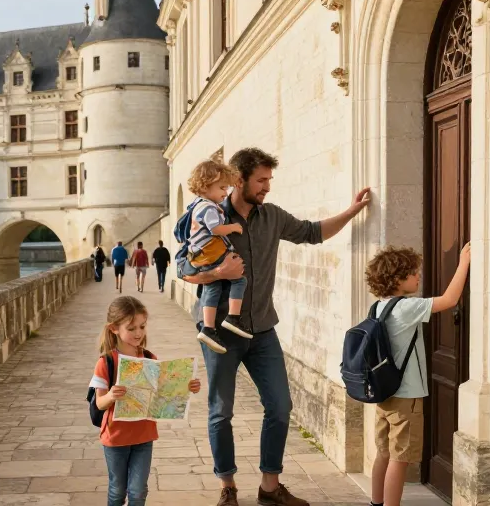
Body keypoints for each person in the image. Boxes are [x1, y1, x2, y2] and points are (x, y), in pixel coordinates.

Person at [181, 148, 371, 506]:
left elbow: (312, 233)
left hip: (263, 329)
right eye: (262, 180)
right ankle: (228, 487)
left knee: (280, 407)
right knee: (221, 411)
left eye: (269, 180)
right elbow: (183, 269)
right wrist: (218, 273)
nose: (267, 187)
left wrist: (351, 211)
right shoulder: (209, 214)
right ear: (239, 180)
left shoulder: (273, 217)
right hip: (220, 331)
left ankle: (270, 487)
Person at [364, 243, 470, 506]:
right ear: (398, 279)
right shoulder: (406, 308)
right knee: (400, 459)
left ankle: (376, 503)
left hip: (385, 393)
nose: (418, 277)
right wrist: (464, 263)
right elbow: (449, 300)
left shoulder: (379, 307)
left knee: (383, 454)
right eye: (413, 273)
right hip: (407, 396)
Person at [89, 296, 202, 506]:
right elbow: (99, 403)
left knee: (138, 491)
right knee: (117, 490)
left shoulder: (150, 358)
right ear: (114, 328)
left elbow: (162, 392)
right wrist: (112, 395)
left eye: (142, 326)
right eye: (131, 328)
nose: (138, 333)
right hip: (116, 437)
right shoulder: (106, 362)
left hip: (144, 434)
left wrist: (186, 386)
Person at [177, 160, 252, 354]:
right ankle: (233, 317)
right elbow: (216, 229)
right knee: (239, 280)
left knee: (213, 287)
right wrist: (234, 227)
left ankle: (208, 328)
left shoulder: (197, 205)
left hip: (201, 255)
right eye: (221, 188)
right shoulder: (208, 207)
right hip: (210, 252)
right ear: (205, 185)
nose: (225, 193)